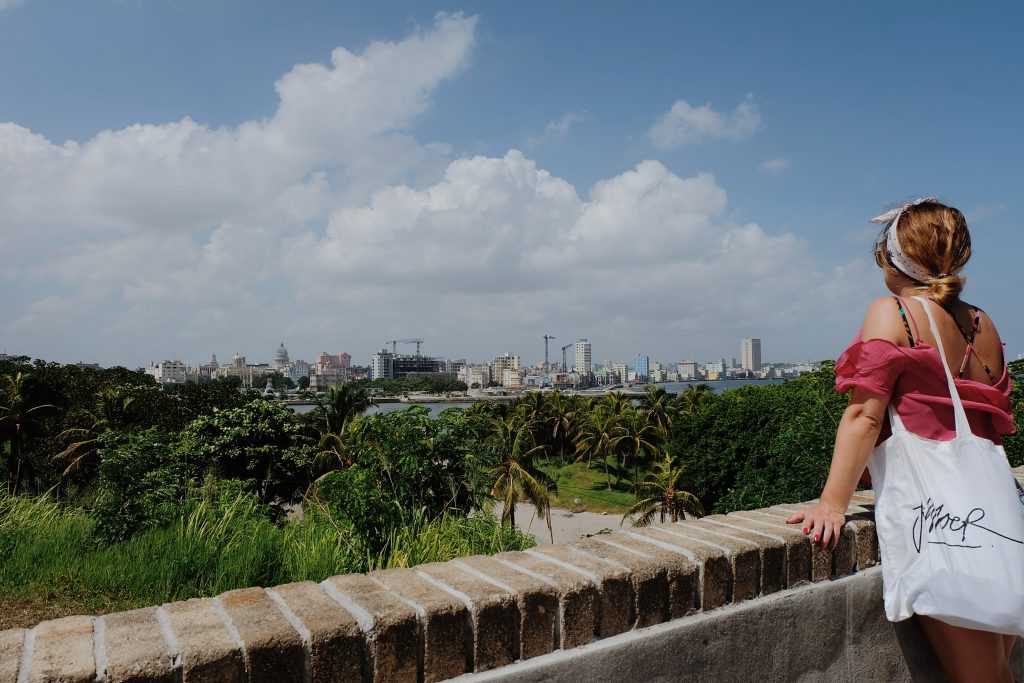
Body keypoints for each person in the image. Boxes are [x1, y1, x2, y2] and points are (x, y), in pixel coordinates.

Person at [786, 198, 1017, 682]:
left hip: (942, 520)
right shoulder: (983, 323)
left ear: (893, 258)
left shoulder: (894, 313)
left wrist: (832, 503)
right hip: (998, 513)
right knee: (994, 663)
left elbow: (864, 418)